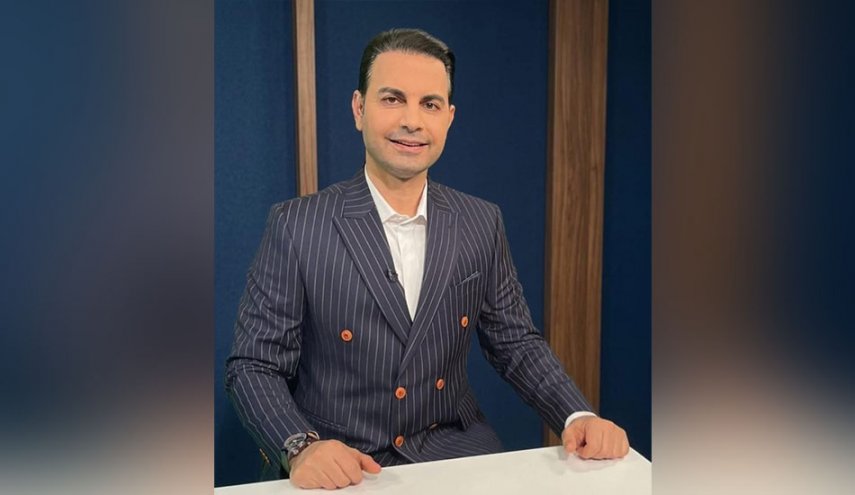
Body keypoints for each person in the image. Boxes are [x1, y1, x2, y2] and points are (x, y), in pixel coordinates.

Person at [225, 28, 629, 490]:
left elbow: (516, 342)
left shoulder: (481, 221)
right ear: (359, 108)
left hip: (453, 454)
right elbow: (252, 365)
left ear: (449, 118)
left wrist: (577, 415)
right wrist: (300, 446)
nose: (412, 121)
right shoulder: (297, 225)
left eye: (430, 104)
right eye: (392, 99)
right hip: (339, 463)